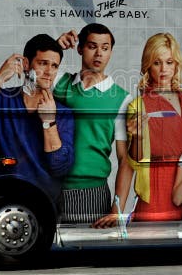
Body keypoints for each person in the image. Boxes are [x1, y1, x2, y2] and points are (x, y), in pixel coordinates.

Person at [0, 34, 74, 203]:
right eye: (43, 63)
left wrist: (49, 122)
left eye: (54, 66)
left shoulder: (63, 113)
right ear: (26, 64)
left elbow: (59, 167)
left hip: (42, 207)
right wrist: (0, 78)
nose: (49, 72)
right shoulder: (1, 99)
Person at [115, 33, 182, 222]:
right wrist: (137, 137)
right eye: (157, 63)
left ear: (176, 64)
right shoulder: (138, 105)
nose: (164, 69)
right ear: (148, 66)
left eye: (169, 62)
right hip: (156, 186)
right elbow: (134, 161)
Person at [53, 24, 131, 225]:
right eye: (92, 46)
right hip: (49, 186)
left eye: (105, 48)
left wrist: (118, 209)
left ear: (111, 52)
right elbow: (34, 72)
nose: (99, 54)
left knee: (85, 254)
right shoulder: (60, 82)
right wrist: (56, 47)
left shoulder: (122, 98)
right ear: (80, 48)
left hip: (91, 193)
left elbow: (125, 159)